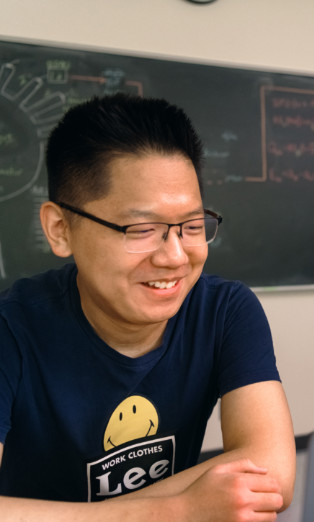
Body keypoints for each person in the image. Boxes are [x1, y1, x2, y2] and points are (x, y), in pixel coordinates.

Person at [0, 93, 296, 520]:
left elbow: (272, 474)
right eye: (141, 229)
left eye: (193, 226)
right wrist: (177, 511)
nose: (175, 256)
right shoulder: (11, 329)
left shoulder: (225, 310)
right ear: (60, 229)